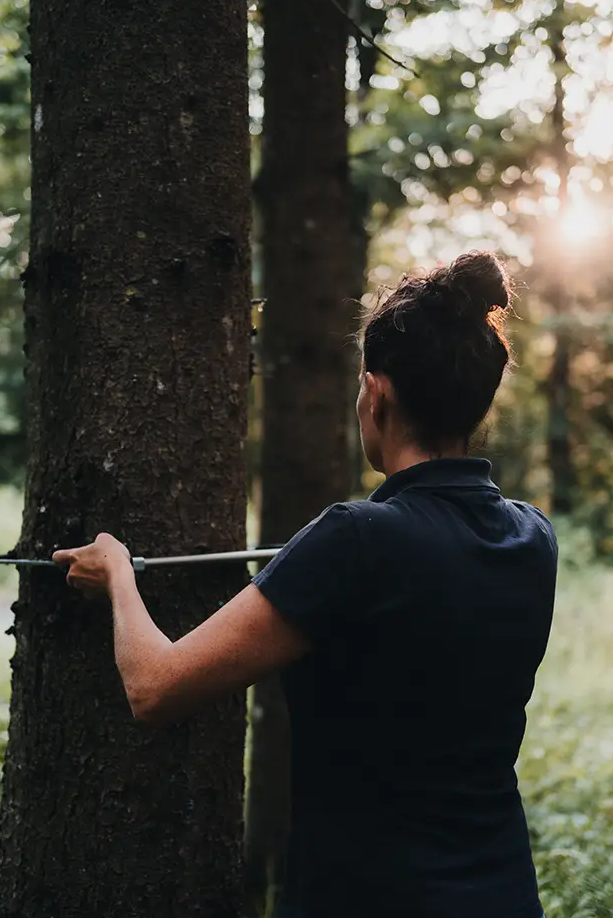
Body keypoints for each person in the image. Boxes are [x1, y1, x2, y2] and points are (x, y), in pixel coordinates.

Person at [54, 250, 556, 918]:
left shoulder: (355, 539)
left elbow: (155, 687)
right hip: (501, 896)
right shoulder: (532, 537)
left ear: (375, 393)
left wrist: (116, 571)